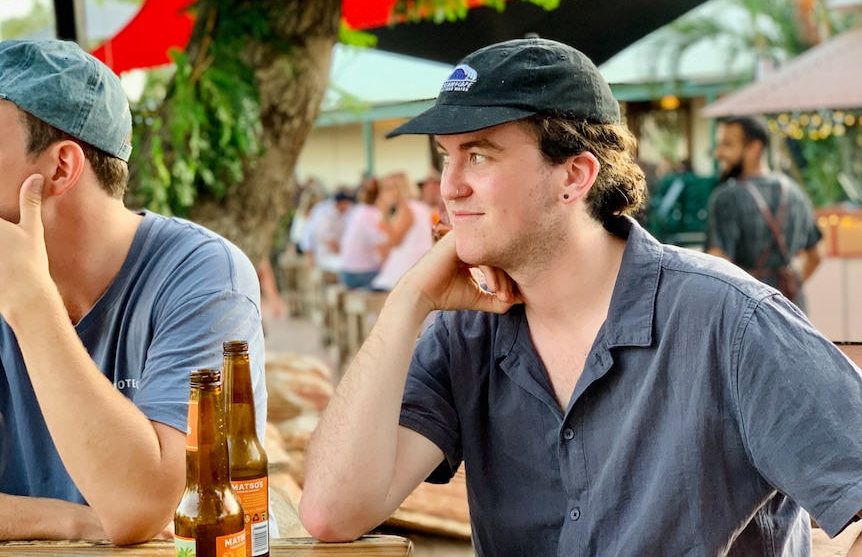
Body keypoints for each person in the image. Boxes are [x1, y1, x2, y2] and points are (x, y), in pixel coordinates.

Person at [298, 38, 862, 556]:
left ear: (575, 175)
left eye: (479, 155)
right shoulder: (465, 333)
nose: (449, 186)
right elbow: (331, 513)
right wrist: (406, 303)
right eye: (446, 156)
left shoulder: (730, 322)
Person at [0, 40, 270, 544]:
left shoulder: (202, 276)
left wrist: (31, 303)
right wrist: (70, 520)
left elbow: (140, 507)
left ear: (61, 168)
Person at [707, 116, 822, 311]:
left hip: (747, 313)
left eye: (727, 145)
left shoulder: (726, 197)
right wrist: (790, 284)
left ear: (755, 147)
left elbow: (717, 266)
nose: (719, 153)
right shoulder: (794, 191)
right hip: (793, 309)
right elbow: (816, 256)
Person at [369, 171, 433, 292]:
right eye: (385, 188)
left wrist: (384, 215)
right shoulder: (419, 206)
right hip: (419, 262)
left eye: (390, 188)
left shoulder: (406, 208)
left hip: (406, 266)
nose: (385, 193)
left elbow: (394, 242)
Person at [339, 178, 386, 289]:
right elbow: (382, 251)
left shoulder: (359, 210)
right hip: (360, 274)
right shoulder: (374, 215)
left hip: (347, 271)